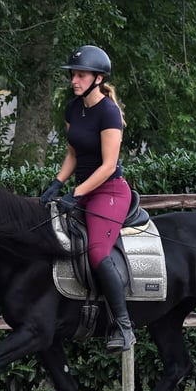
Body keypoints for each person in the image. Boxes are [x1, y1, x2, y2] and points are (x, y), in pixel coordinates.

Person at [39, 45, 135, 352]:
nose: (74, 81)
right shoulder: (72, 110)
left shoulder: (109, 112)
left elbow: (108, 166)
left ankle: (124, 326)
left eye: (80, 75)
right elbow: (72, 153)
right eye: (72, 75)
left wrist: (76, 193)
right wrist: (57, 183)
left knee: (96, 252)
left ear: (97, 78)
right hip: (81, 191)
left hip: (109, 192)